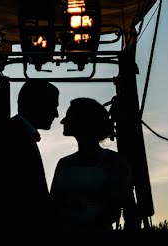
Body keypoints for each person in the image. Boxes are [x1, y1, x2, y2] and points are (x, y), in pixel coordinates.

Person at [0, 79, 60, 233]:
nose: (56, 114)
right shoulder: (11, 136)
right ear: (37, 104)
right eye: (53, 106)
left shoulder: (14, 132)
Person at [50, 98, 128, 234]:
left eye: (69, 117)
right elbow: (53, 208)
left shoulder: (114, 162)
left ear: (83, 121)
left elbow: (115, 209)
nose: (62, 121)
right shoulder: (63, 163)